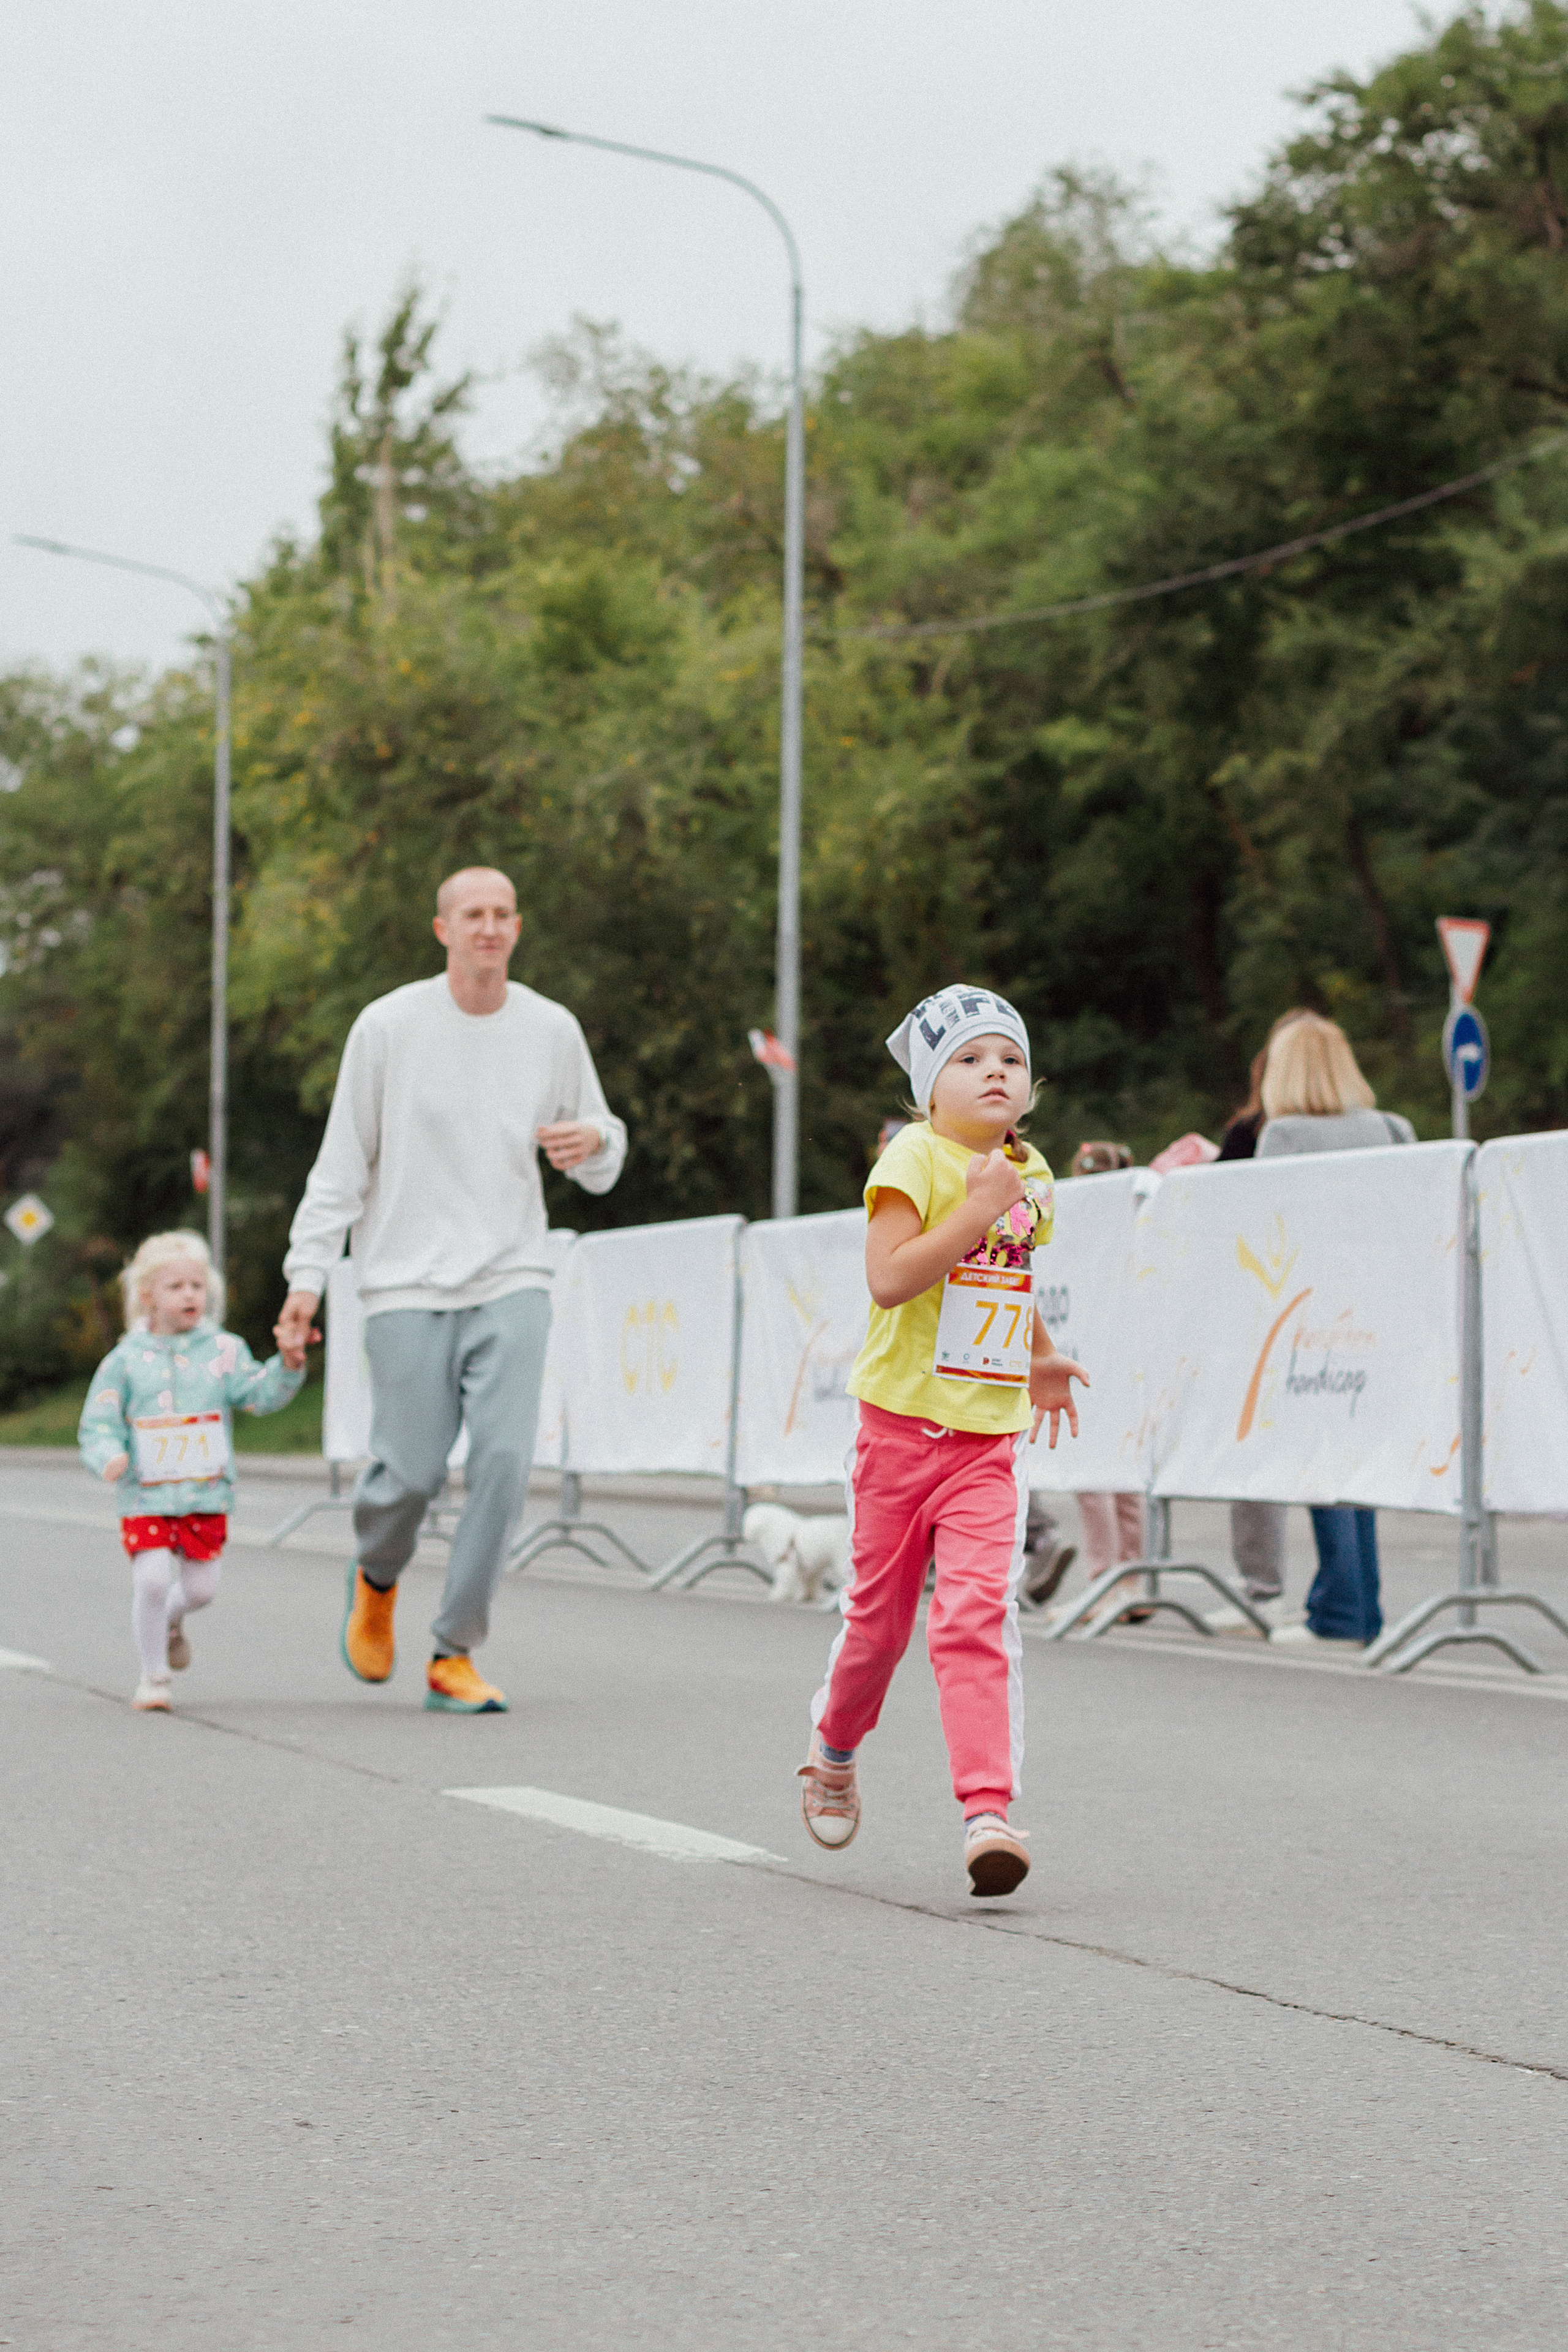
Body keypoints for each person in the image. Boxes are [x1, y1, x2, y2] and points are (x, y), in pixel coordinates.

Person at [274, 867, 626, 1714]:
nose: (490, 928)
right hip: (401, 1281)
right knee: (410, 1472)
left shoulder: (550, 1027)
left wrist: (595, 1140)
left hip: (513, 1271)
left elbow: (605, 1152)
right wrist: (305, 1280)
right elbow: (340, 1165)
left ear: (517, 927)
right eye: (474, 914)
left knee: (505, 1464)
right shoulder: (389, 1026)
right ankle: (379, 1578)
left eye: (504, 913)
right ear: (443, 929)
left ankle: (453, 1651)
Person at [796, 986, 1088, 1899]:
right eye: (968, 1059)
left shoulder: (1030, 1176)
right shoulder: (914, 1158)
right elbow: (889, 1280)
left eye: (1008, 1058)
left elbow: (1006, 1277)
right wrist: (971, 1207)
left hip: (987, 1445)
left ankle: (988, 1815)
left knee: (973, 1622)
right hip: (897, 1436)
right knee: (879, 1629)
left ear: (1030, 1087)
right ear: (930, 1090)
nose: (992, 1071)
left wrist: (1038, 1355)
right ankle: (835, 1750)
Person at [77, 1232, 307, 1711]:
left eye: (197, 1286)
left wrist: (287, 1365)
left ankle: (171, 1621)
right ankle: (153, 1677)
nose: (189, 1296)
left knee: (201, 1590)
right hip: (145, 1495)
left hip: (206, 1494)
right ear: (148, 1297)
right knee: (153, 1580)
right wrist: (109, 1456)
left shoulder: (224, 1350)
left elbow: (259, 1395)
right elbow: (98, 1421)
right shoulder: (124, 1361)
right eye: (176, 1287)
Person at [1255, 1012, 1414, 1649]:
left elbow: (1271, 1234)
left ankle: (1341, 1610)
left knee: (1324, 1463)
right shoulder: (1393, 1130)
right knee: (1364, 1465)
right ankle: (1359, 1604)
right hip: (1386, 1311)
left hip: (1313, 1316)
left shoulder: (1284, 1135)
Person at [1215, 1009, 1310, 1603]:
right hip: (1345, 1314)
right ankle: (1349, 1592)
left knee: (1255, 1436)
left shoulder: (1257, 1131)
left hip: (1264, 1308)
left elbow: (1221, 1213)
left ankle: (1261, 1580)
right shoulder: (1380, 1128)